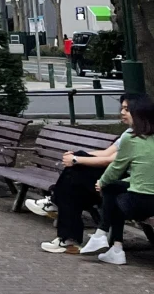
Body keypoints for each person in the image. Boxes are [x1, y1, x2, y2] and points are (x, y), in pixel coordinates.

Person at [36, 96, 132, 254]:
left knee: (74, 176)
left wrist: (76, 159)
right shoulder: (128, 132)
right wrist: (77, 156)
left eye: (127, 109)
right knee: (71, 189)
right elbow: (106, 152)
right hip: (113, 179)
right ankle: (68, 239)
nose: (122, 113)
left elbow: (112, 161)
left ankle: (58, 212)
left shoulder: (142, 136)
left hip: (125, 184)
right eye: (122, 108)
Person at [79, 93, 154, 265]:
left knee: (112, 194)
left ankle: (103, 235)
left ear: (139, 112)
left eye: (127, 109)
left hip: (141, 203)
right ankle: (114, 247)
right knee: (114, 189)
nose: (122, 113)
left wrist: (101, 183)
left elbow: (116, 168)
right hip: (149, 197)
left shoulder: (131, 138)